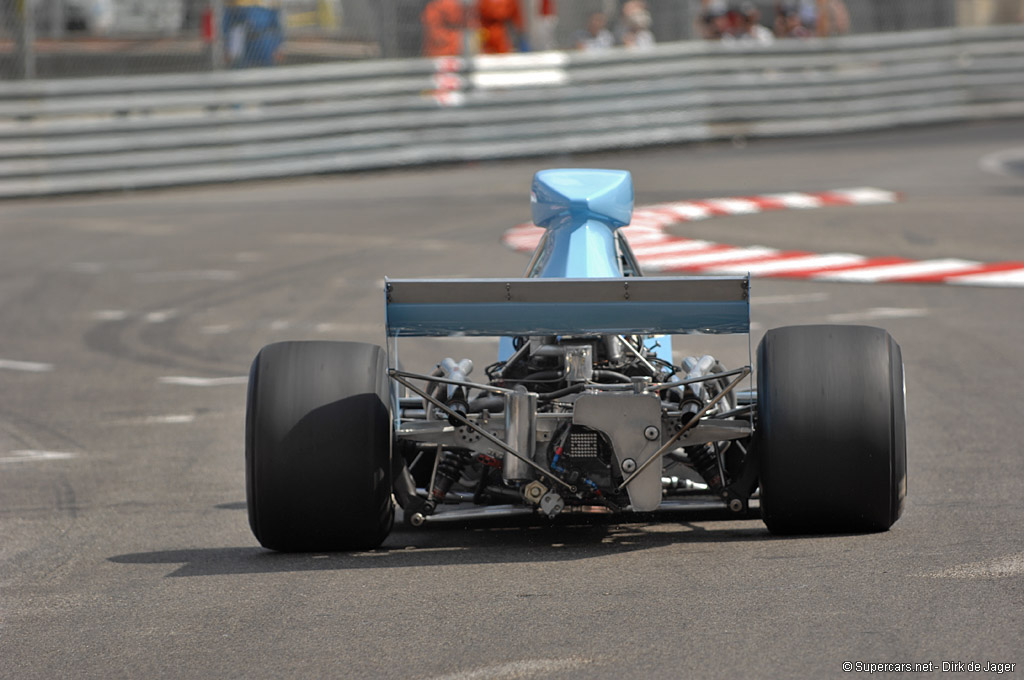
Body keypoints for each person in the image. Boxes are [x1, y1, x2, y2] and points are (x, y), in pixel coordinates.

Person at [224, 0, 284, 67]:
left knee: (267, 71)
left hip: (266, 46)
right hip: (247, 46)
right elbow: (230, 26)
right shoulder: (239, 6)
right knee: (245, 70)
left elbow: (277, 28)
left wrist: (278, 47)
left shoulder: (269, 7)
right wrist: (228, 48)